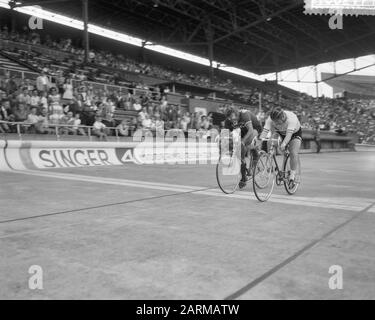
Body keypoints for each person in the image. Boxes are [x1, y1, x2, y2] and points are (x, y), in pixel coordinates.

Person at [259, 107, 302, 188]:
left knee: (293, 152)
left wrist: (284, 144)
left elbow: (288, 136)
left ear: (282, 117)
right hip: (280, 132)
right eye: (274, 122)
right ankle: (270, 165)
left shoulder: (291, 119)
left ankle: (292, 177)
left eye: (277, 122)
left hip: (294, 133)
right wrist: (259, 140)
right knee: (269, 142)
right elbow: (265, 131)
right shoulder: (270, 119)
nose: (275, 123)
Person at [224, 107, 263, 189]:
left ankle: (255, 153)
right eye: (230, 119)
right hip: (242, 131)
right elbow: (226, 134)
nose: (233, 120)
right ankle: (244, 177)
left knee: (244, 144)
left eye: (234, 118)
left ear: (237, 114)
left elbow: (251, 131)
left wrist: (242, 142)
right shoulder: (228, 121)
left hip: (255, 129)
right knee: (239, 152)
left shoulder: (244, 115)